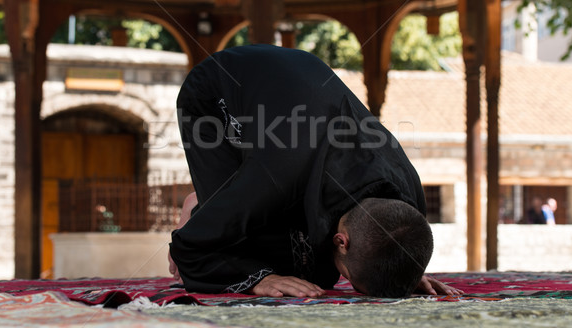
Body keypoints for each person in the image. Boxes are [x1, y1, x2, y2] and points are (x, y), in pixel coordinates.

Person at [169, 44, 462, 298]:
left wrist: (401, 271)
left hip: (290, 116)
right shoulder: (276, 179)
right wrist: (261, 279)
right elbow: (190, 249)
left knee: (312, 268)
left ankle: (233, 197)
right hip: (216, 94)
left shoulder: (409, 197)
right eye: (352, 281)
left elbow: (391, 242)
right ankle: (204, 204)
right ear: (341, 241)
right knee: (266, 256)